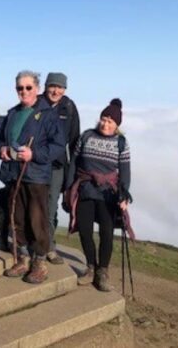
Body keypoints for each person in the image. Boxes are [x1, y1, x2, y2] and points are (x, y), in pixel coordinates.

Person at [0, 70, 65, 284]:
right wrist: (2, 150)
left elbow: (58, 145)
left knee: (37, 219)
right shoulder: (12, 113)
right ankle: (23, 258)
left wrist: (34, 154)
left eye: (28, 87)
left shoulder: (48, 114)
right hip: (14, 174)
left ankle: (39, 262)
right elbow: (0, 140)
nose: (23, 91)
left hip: (35, 175)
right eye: (20, 88)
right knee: (17, 218)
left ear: (36, 89)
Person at [64, 99, 131, 292]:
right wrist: (69, 188)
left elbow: (125, 172)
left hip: (109, 194)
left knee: (106, 234)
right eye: (103, 119)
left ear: (117, 124)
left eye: (110, 121)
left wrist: (124, 195)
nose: (105, 124)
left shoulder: (121, 143)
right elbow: (75, 163)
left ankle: (103, 271)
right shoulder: (86, 136)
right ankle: (91, 267)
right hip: (85, 189)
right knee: (84, 231)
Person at [39, 72, 81, 266]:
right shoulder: (36, 103)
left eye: (60, 87)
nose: (56, 90)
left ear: (65, 89)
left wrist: (73, 174)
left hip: (57, 166)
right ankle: (34, 243)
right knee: (32, 204)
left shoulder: (69, 108)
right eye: (52, 86)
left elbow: (74, 143)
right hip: (34, 163)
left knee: (51, 207)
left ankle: (49, 246)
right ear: (46, 86)